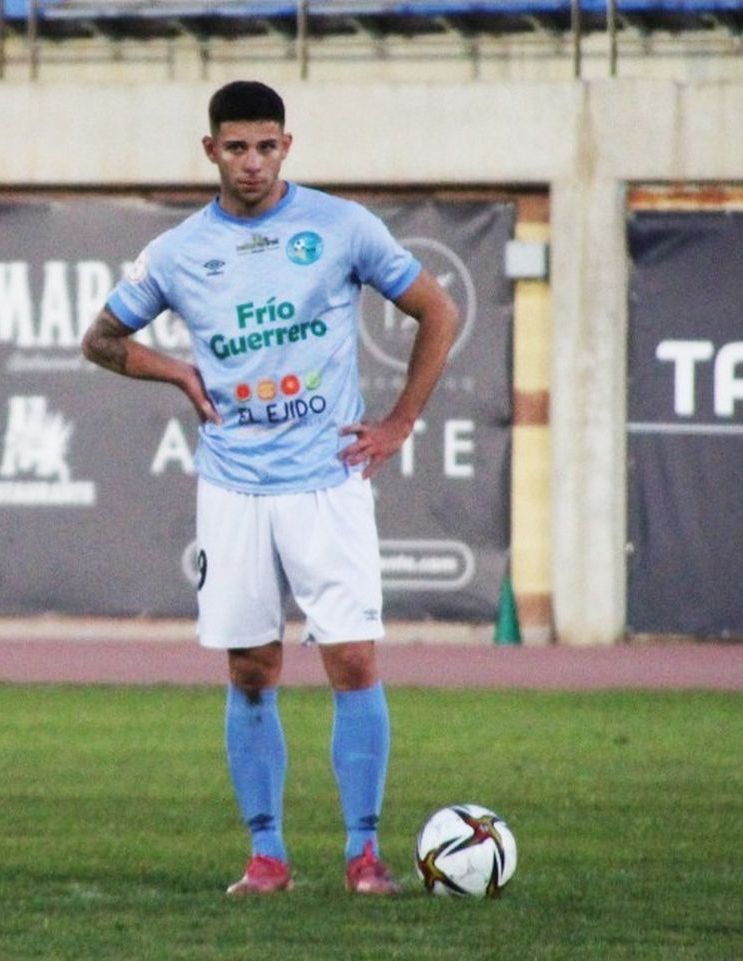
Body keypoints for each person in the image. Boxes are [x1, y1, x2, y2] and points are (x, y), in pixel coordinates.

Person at [81, 80, 460, 896]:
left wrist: (399, 423)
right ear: (210, 150)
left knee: (352, 659)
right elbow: (102, 339)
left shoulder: (340, 226)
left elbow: (438, 310)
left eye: (266, 146)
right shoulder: (181, 251)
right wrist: (176, 370)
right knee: (252, 668)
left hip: (326, 479)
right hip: (234, 486)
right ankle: (267, 855)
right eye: (236, 147)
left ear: (287, 146)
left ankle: (364, 853)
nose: (251, 162)